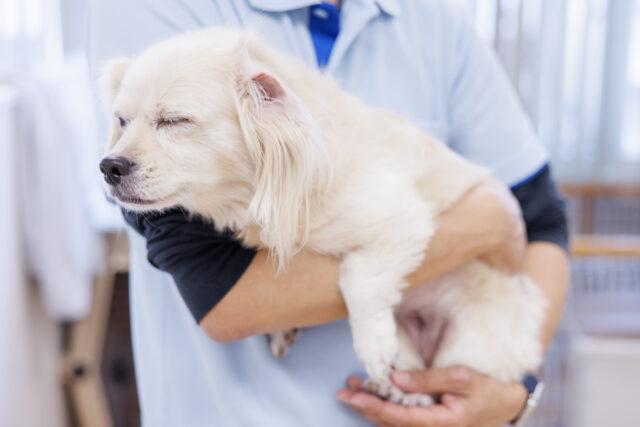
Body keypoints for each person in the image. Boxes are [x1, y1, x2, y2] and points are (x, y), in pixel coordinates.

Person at [89, 1, 569, 425]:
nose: (121, 149)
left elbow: (541, 219)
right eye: (124, 122)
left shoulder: (436, 20)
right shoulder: (155, 11)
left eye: (173, 121)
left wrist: (513, 395)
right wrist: (486, 222)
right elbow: (221, 290)